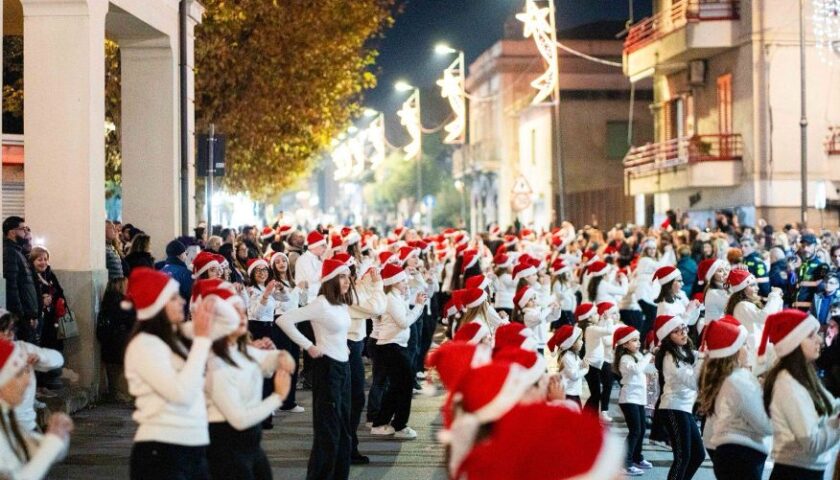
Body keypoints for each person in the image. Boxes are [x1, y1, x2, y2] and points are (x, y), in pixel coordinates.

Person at [123, 267, 216, 480]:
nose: (182, 301)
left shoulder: (175, 339)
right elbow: (180, 394)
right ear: (157, 306)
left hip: (193, 443)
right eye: (174, 298)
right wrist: (202, 341)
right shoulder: (145, 345)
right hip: (162, 448)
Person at [204, 287, 295, 480]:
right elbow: (238, 420)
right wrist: (277, 397)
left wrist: (281, 354)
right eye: (233, 312)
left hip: (250, 442)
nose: (242, 316)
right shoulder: (216, 363)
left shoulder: (241, 350)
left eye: (242, 310)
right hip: (226, 444)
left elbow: (277, 361)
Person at [278, 259, 356, 480]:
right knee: (328, 433)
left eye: (347, 276)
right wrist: (309, 346)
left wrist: (345, 349)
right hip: (328, 368)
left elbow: (339, 332)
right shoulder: (320, 304)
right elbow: (284, 320)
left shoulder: (340, 303)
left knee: (344, 429)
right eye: (342, 276)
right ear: (331, 279)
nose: (347, 281)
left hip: (343, 367)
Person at [762, 309, 839, 480]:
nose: (820, 339)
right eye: (811, 336)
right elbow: (812, 443)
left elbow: (832, 408)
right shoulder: (787, 383)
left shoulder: (805, 377)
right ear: (794, 343)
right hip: (795, 473)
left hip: (805, 470)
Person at [697, 317, 771, 480]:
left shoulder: (728, 377)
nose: (748, 348)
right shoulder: (738, 380)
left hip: (728, 450)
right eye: (744, 344)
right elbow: (765, 426)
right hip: (741, 454)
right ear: (733, 350)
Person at [0, 337, 74, 479]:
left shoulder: (8, 419)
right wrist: (53, 441)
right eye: (19, 373)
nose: (28, 381)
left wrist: (58, 435)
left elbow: (38, 449)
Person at [371, 263, 426, 440]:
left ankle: (383, 422)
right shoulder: (390, 299)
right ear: (394, 282)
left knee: (398, 386)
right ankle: (397, 424)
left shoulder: (396, 297)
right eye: (402, 280)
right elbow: (403, 322)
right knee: (403, 385)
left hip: (394, 346)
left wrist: (417, 305)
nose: (406, 283)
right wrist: (418, 306)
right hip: (390, 347)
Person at [653, 314, 705, 480]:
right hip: (672, 408)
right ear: (668, 337)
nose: (683, 333)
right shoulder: (670, 357)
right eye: (676, 331)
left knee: (698, 455)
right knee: (682, 457)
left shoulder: (684, 351)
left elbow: (700, 355)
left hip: (684, 409)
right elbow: (693, 383)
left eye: (683, 328)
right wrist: (702, 362)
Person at [0, 311, 64, 433]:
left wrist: (40, 358)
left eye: (11, 329)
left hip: (26, 425)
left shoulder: (22, 348)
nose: (9, 335)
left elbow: (58, 359)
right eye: (3, 330)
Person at [613, 325, 654, 477]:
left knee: (641, 430)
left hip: (638, 399)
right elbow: (637, 369)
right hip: (629, 399)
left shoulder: (637, 356)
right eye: (634, 340)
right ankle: (625, 463)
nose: (638, 343)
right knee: (635, 431)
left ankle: (637, 458)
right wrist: (649, 355)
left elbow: (645, 369)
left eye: (638, 340)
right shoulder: (625, 358)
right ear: (624, 344)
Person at [269, 251, 306, 414]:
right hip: (281, 324)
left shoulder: (291, 281)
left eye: (283, 260)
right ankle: (281, 399)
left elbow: (299, 303)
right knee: (283, 363)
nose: (282, 264)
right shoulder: (274, 283)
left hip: (293, 322)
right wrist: (298, 290)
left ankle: (288, 400)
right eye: (277, 262)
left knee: (294, 362)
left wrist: (303, 291)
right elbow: (286, 304)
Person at [725, 269, 783, 367]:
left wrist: (777, 299)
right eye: (752, 285)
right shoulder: (743, 305)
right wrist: (774, 296)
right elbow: (766, 317)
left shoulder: (745, 304)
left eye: (755, 284)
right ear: (742, 289)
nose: (757, 288)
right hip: (752, 352)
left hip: (755, 349)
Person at [96, 277, 134, 403]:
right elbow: (132, 320)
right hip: (121, 341)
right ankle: (123, 395)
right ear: (121, 286)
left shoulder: (106, 301)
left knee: (112, 371)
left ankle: (115, 393)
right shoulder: (122, 303)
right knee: (122, 371)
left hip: (109, 343)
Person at [3, 216, 39, 344]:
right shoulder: (10, 253)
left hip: (27, 317)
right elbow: (12, 288)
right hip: (22, 319)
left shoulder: (18, 252)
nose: (26, 232)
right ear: (12, 232)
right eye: (22, 229)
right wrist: (21, 318)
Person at [577, 302, 616, 417]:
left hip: (594, 364)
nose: (597, 315)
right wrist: (608, 319)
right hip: (591, 365)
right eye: (595, 313)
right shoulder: (590, 329)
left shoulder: (591, 328)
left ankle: (588, 418)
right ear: (588, 317)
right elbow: (608, 331)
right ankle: (587, 419)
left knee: (596, 394)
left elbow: (602, 330)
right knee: (595, 394)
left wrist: (604, 320)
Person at [29, 246, 69, 355]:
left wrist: (53, 298)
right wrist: (42, 301)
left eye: (45, 259)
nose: (43, 262)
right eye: (39, 259)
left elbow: (60, 292)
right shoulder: (30, 277)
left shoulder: (50, 274)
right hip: (39, 320)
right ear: (32, 261)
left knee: (54, 351)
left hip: (53, 320)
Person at [547, 324, 587, 406]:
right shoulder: (567, 357)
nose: (582, 342)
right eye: (580, 340)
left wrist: (582, 364)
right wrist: (585, 369)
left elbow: (578, 366)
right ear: (571, 343)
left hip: (573, 392)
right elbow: (574, 375)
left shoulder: (573, 355)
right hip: (568, 394)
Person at [160, 239, 193, 304]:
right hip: (180, 311)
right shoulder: (185, 273)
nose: (186, 257)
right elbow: (192, 296)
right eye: (186, 254)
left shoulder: (161, 271)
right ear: (180, 255)